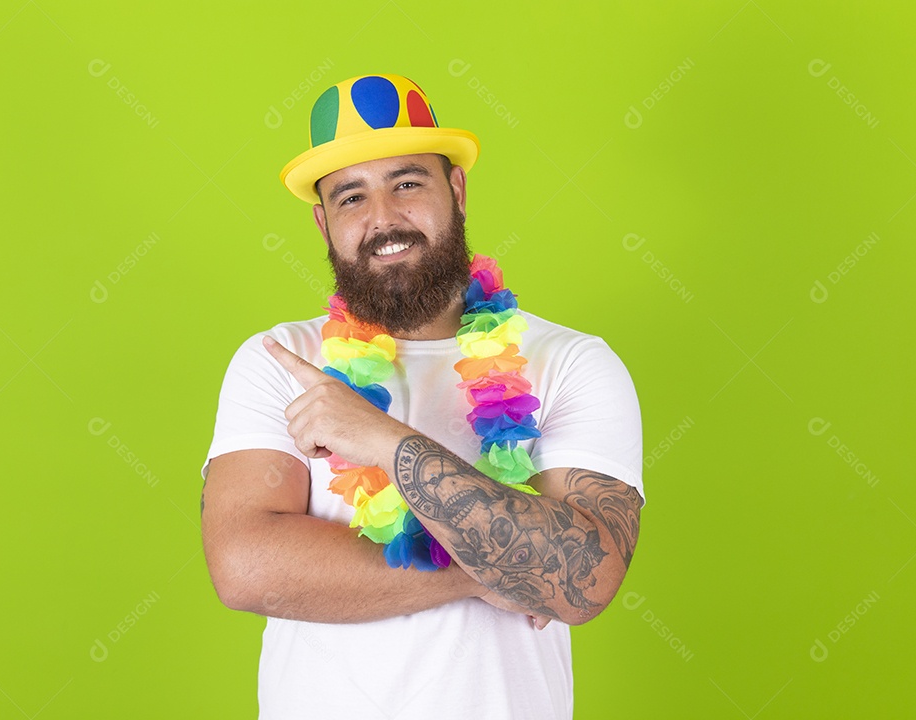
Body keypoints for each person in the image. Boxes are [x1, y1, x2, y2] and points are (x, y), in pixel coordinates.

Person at [200, 72, 644, 720]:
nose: (383, 218)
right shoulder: (281, 362)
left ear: (456, 189)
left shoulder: (571, 363)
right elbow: (246, 567)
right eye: (352, 197)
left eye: (407, 183)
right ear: (324, 223)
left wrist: (383, 438)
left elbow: (584, 580)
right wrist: (494, 567)